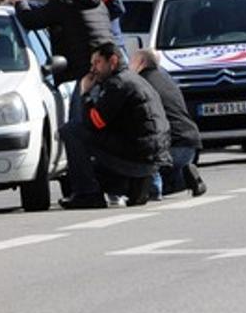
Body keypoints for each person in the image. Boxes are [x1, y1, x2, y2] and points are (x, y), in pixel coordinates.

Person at [0, 0, 115, 206]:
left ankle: (86, 192)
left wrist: (19, 3)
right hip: (108, 73)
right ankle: (136, 185)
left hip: (85, 76)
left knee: (74, 133)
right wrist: (18, 1)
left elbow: (32, 19)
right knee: (107, 131)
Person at [60, 43, 171, 208]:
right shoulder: (135, 79)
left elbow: (95, 123)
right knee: (96, 166)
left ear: (112, 61)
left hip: (138, 155)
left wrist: (85, 94)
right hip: (152, 156)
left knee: (71, 130)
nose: (93, 69)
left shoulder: (117, 84)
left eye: (97, 63)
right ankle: (134, 188)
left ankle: (87, 194)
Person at [130, 48, 207, 197]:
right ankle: (186, 177)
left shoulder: (142, 84)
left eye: (131, 61)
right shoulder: (165, 78)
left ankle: (154, 189)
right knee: (169, 181)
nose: (128, 66)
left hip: (172, 146)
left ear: (141, 62)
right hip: (191, 143)